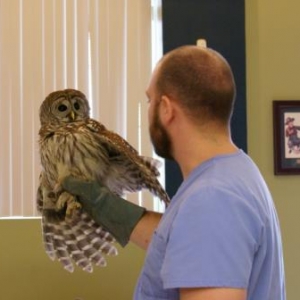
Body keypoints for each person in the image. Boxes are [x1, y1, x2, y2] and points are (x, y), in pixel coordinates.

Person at [62, 46, 286, 300]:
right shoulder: (233, 172)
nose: (148, 111)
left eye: (150, 100)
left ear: (167, 109)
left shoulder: (213, 199)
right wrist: (103, 205)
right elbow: (184, 243)